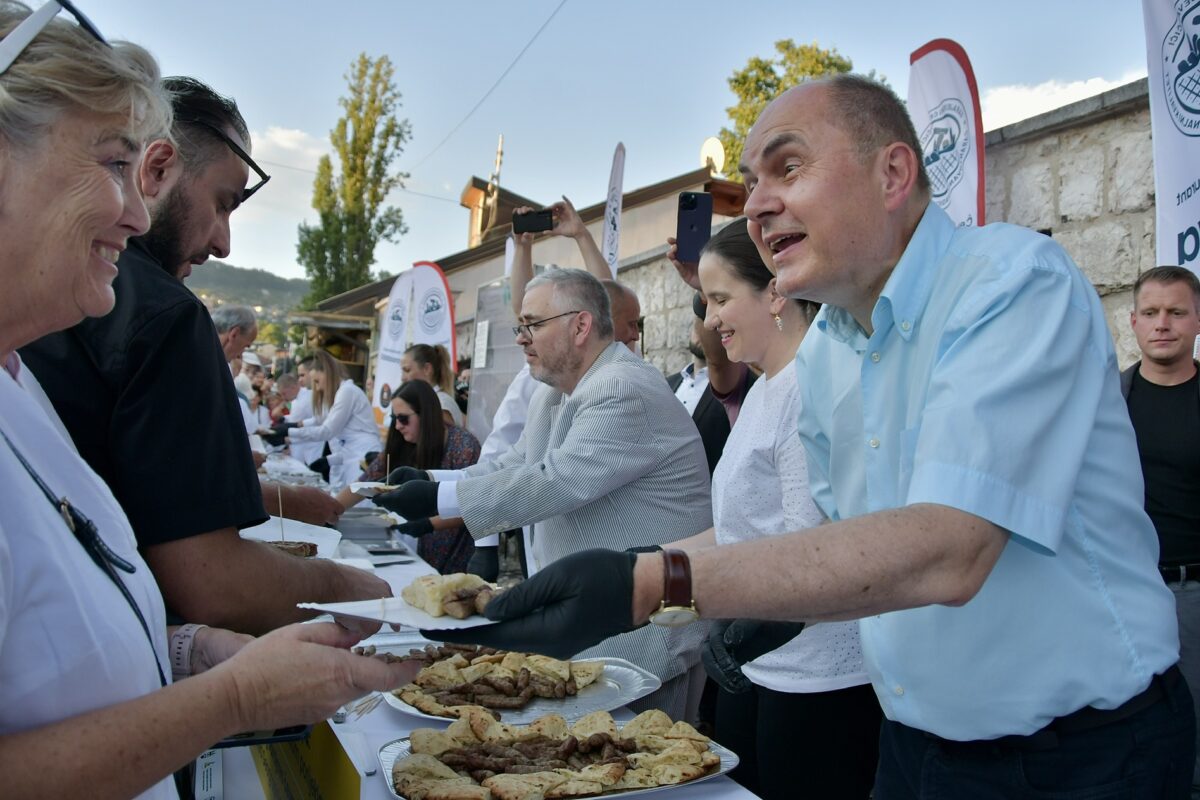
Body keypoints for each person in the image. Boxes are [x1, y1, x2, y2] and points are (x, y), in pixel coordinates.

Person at [441, 75, 1193, 797]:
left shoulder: (1010, 286)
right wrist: (629, 567)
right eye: (752, 181)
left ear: (893, 172)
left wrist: (655, 585)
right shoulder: (831, 345)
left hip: (1081, 755)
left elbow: (951, 547)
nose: (759, 206)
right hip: (916, 743)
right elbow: (830, 532)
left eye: (788, 168)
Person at [0, 5, 419, 796]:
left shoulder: (20, 385)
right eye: (112, 164)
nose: (135, 208)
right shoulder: (148, 325)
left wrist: (186, 655)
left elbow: (58, 625)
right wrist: (234, 696)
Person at [21, 73, 388, 635]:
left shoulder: (56, 300)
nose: (224, 242)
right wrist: (347, 586)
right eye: (222, 204)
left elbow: (132, 488)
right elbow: (211, 581)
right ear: (158, 168)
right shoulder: (168, 316)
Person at [380, 268, 713, 720]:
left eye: (533, 324)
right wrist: (432, 484)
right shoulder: (555, 393)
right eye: (521, 326)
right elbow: (513, 465)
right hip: (602, 633)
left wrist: (438, 505)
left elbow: (554, 481)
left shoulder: (622, 387)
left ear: (580, 326)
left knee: (646, 773)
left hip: (645, 639)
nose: (521, 337)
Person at [663, 218, 879, 798]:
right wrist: (645, 569)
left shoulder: (811, 389)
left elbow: (813, 552)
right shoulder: (764, 386)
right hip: (760, 669)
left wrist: (706, 603)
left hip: (817, 686)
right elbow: (743, 532)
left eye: (720, 299)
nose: (709, 321)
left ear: (776, 293)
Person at [1123, 265, 1200, 795]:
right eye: (1151, 313)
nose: (1163, 324)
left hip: (1194, 594)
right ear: (1133, 322)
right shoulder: (1106, 401)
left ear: (1197, 321)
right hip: (1126, 593)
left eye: (1176, 312)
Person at [338, 381, 481, 573]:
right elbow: (365, 483)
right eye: (394, 418)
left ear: (426, 415)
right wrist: (330, 510)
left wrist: (427, 524)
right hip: (417, 548)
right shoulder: (402, 442)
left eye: (403, 419)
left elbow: (471, 502)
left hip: (454, 552)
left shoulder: (464, 445)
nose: (397, 426)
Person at [285, 349, 382, 490]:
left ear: (327, 374)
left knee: (360, 505)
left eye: (317, 381)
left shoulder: (347, 391)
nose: (317, 388)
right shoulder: (341, 393)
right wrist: (328, 460)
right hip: (352, 458)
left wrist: (289, 432)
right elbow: (345, 444)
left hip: (364, 457)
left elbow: (327, 431)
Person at [667, 319, 730, 475]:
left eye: (711, 330)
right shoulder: (667, 384)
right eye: (698, 328)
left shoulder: (729, 388)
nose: (703, 335)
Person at [402, 343, 464, 428]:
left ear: (427, 369)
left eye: (407, 370)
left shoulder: (442, 404)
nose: (402, 378)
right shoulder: (427, 400)